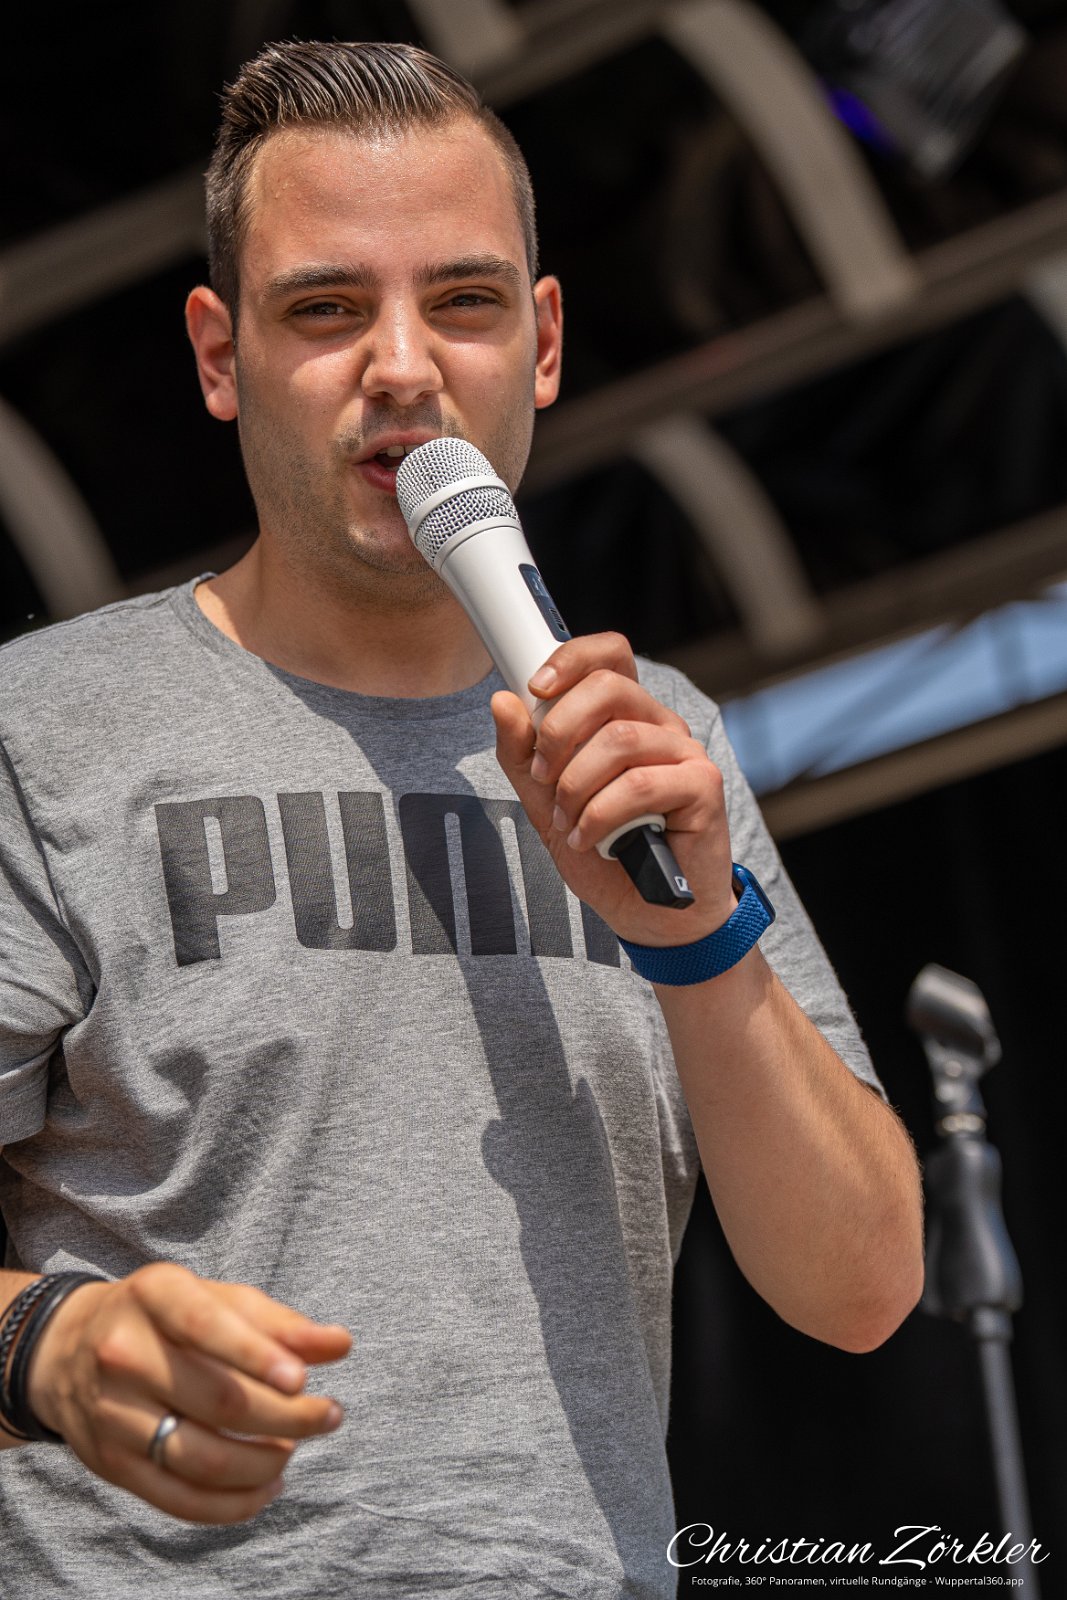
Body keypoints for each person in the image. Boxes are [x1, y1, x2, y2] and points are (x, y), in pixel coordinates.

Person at [0, 39, 923, 1599]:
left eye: (466, 302)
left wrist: (701, 941)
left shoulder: (662, 747)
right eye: (326, 309)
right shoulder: (43, 732)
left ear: (544, 344)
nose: (404, 365)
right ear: (220, 358)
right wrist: (50, 1345)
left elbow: (863, 1286)